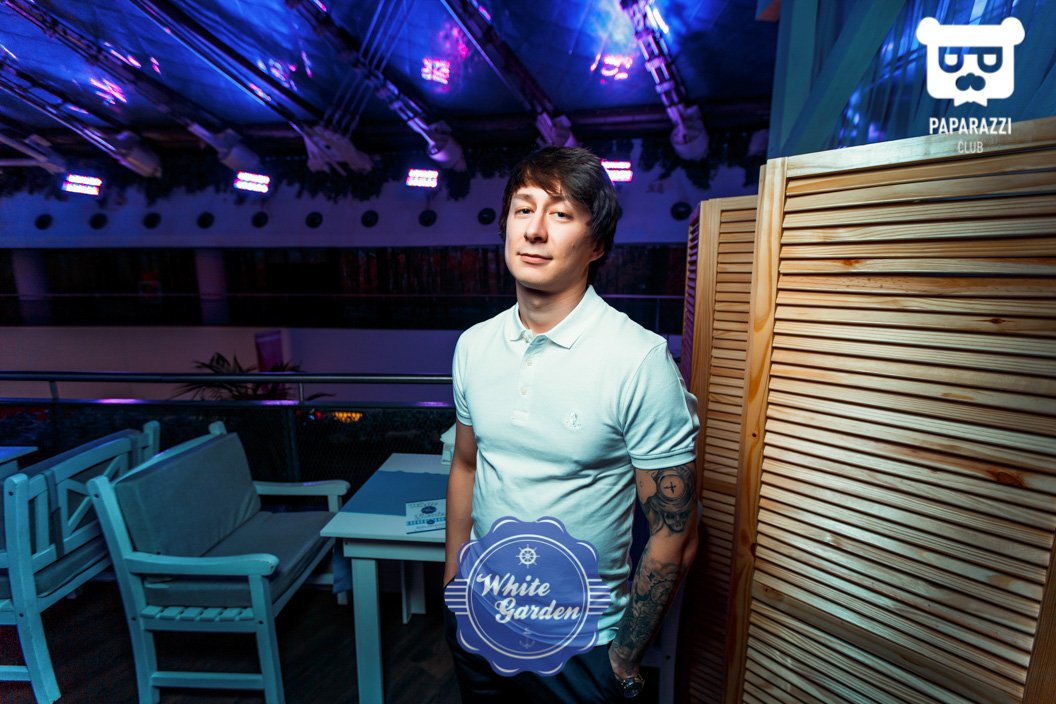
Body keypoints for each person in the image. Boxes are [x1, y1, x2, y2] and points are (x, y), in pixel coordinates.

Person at [443, 146, 699, 703]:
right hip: (479, 625)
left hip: (581, 647)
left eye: (560, 214)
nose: (534, 230)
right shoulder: (474, 346)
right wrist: (452, 582)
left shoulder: (638, 360)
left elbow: (674, 531)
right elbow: (466, 465)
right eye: (523, 209)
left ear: (597, 244)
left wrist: (623, 655)